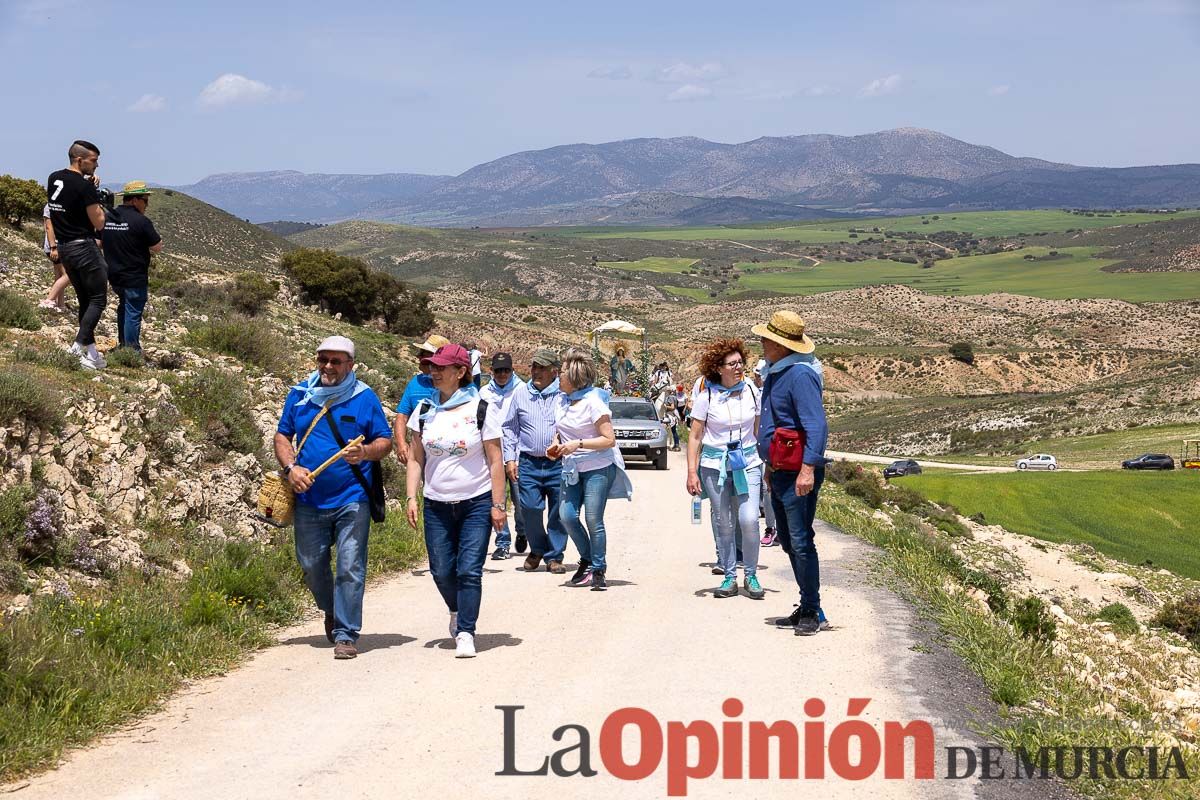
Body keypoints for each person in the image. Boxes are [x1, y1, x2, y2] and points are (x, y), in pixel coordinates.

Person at [274, 336, 392, 660]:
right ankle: (331, 609)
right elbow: (283, 435)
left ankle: (346, 633)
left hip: (352, 497)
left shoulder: (364, 398)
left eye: (336, 361)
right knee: (311, 565)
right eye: (323, 359)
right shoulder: (300, 394)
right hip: (309, 498)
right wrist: (290, 469)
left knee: (350, 565)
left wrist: (365, 452)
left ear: (350, 365)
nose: (328, 366)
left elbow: (385, 441)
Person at [406, 344, 507, 658]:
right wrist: (411, 496)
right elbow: (415, 457)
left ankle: (466, 631)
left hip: (475, 502)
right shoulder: (424, 409)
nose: (433, 372)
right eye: (432, 367)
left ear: (460, 372)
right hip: (436, 503)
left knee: (468, 570)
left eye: (441, 367)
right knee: (441, 570)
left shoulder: (481, 408)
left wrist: (498, 504)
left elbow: (495, 460)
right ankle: (456, 608)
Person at [754, 310, 830, 636]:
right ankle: (808, 604)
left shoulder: (799, 375)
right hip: (782, 469)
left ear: (782, 345)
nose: (762, 343)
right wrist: (771, 466)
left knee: (801, 541)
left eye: (767, 339)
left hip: (799, 471)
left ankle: (812, 609)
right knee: (788, 540)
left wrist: (808, 469)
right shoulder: (777, 372)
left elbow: (816, 424)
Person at [686, 339, 764, 600]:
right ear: (719, 368)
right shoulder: (707, 396)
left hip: (748, 463)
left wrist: (767, 463)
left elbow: (757, 429)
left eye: (741, 362)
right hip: (713, 465)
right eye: (733, 364)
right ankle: (730, 575)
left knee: (749, 519)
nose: (739, 367)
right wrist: (691, 471)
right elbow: (695, 436)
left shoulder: (752, 390)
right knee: (724, 521)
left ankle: (750, 574)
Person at [550, 350, 632, 591]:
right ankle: (587, 557)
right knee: (566, 515)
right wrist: (556, 444)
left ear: (574, 377)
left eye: (562, 372)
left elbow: (609, 440)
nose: (558, 375)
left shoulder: (594, 403)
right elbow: (562, 432)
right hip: (571, 468)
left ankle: (598, 568)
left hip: (597, 467)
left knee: (593, 518)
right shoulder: (561, 401)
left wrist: (579, 445)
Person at [502, 348, 570, 574]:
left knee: (558, 511)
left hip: (558, 462)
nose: (536, 372)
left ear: (554, 371)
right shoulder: (521, 394)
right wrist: (510, 459)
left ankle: (554, 556)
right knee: (529, 508)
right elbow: (510, 428)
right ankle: (538, 548)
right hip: (529, 462)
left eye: (542, 368)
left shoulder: (563, 394)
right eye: (534, 367)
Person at [47, 140, 108, 370]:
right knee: (98, 299)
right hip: (83, 246)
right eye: (94, 161)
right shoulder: (84, 187)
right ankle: (76, 349)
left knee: (85, 299)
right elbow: (99, 221)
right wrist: (94, 194)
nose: (97, 165)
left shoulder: (54, 178)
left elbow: (66, 200)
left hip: (64, 247)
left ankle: (92, 353)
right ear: (79, 159)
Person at [102, 181, 163, 352]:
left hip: (114, 274)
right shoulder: (141, 221)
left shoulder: (109, 217)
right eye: (145, 200)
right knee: (133, 312)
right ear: (135, 200)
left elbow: (98, 242)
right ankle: (131, 351)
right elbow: (157, 247)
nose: (147, 205)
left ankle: (123, 345)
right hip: (134, 275)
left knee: (124, 307)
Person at [480, 352, 526, 559]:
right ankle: (503, 542)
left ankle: (523, 531)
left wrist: (515, 456)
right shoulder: (483, 393)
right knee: (497, 500)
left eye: (506, 370)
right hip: (492, 453)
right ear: (491, 371)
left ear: (512, 370)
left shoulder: (522, 390)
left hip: (515, 452)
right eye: (498, 370)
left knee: (521, 501)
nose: (502, 374)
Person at [392, 334, 450, 464]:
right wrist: (401, 444)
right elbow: (402, 416)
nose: (418, 356)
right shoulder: (415, 383)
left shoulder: (455, 387)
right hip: (421, 454)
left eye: (423, 353)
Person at [38, 204, 70, 312]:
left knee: (59, 275)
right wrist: (53, 247)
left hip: (58, 246)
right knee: (69, 274)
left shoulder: (53, 204)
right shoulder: (51, 206)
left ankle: (60, 305)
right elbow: (48, 226)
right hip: (55, 247)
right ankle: (49, 300)